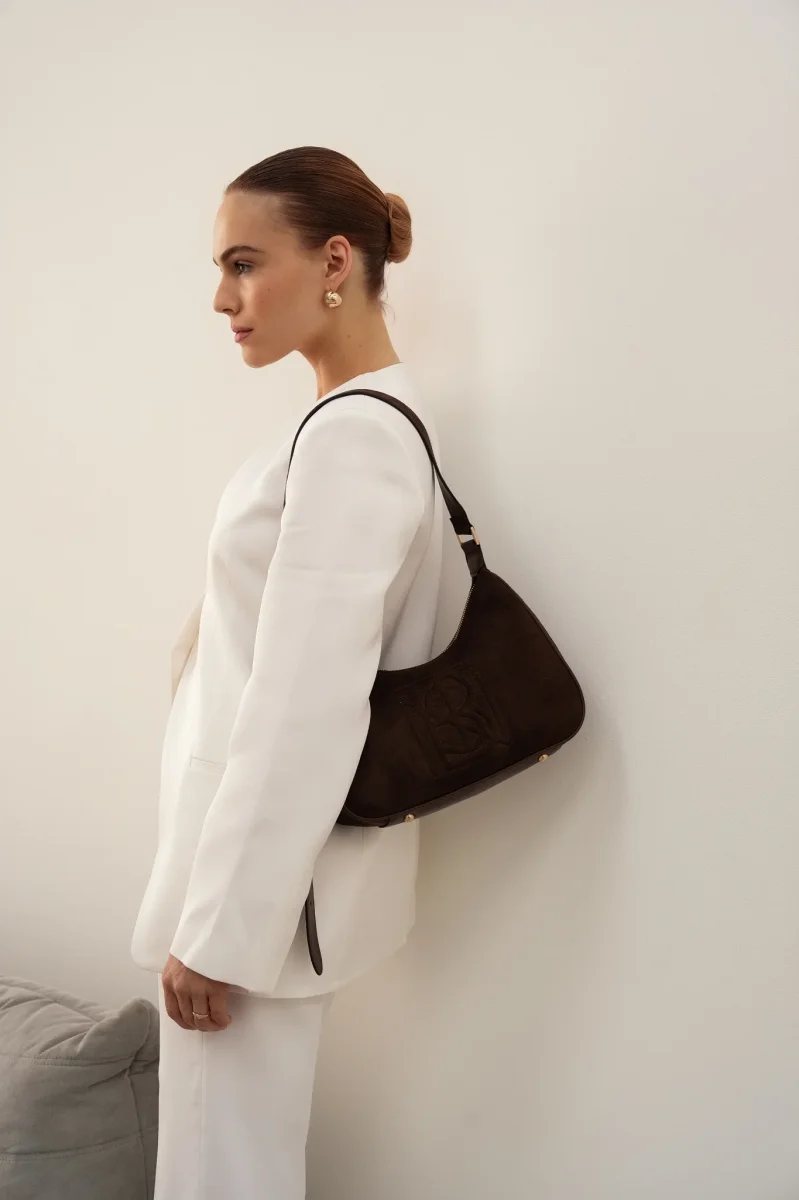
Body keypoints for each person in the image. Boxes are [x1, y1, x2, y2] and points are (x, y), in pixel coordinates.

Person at [130, 145, 444, 1199]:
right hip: (260, 890)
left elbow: (307, 703)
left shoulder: (355, 438)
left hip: (260, 907)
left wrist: (219, 932)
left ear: (335, 261)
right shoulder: (339, 423)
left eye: (243, 263)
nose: (222, 299)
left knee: (221, 1174)